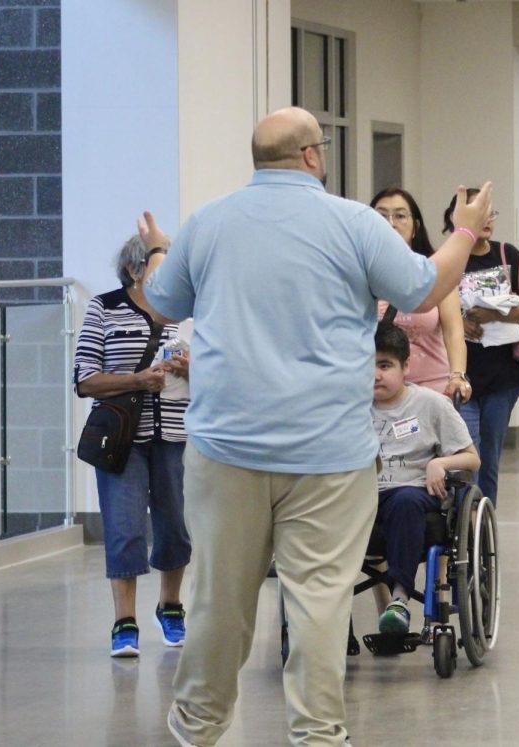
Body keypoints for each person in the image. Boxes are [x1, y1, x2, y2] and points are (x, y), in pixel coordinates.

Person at [142, 106, 493, 746]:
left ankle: (197, 727)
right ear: (311, 155)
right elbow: (421, 288)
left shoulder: (210, 222)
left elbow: (160, 302)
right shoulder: (353, 223)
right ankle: (319, 734)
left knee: (220, 598)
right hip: (329, 456)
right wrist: (465, 232)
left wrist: (164, 249)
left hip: (228, 450)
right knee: (320, 602)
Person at [74, 234, 191, 657]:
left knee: (175, 525)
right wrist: (138, 380)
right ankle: (124, 622)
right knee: (124, 528)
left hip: (175, 435)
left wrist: (191, 369)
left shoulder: (185, 312)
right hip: (121, 438)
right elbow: (85, 379)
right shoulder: (103, 307)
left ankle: (171, 606)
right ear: (135, 269)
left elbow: (219, 374)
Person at [369, 320, 480, 636]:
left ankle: (400, 600)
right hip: (362, 496)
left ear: (406, 366)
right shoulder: (351, 407)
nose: (375, 374)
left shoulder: (431, 404)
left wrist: (441, 463)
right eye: (367, 365)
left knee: (404, 500)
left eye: (385, 365)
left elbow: (473, 459)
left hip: (414, 495)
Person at [441, 187, 519, 504]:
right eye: (479, 211)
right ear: (458, 216)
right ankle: (462, 523)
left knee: (489, 456)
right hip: (459, 373)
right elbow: (430, 306)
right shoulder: (448, 258)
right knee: (466, 451)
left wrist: (495, 314)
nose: (487, 218)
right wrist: (459, 320)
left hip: (502, 374)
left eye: (491, 212)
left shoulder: (508, 256)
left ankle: (482, 529)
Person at [371, 187, 471, 400]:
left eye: (400, 215)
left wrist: (458, 376)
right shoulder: (360, 274)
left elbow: (453, 331)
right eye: (381, 216)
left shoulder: (434, 272)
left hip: (431, 390)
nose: (391, 223)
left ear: (415, 226)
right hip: (375, 390)